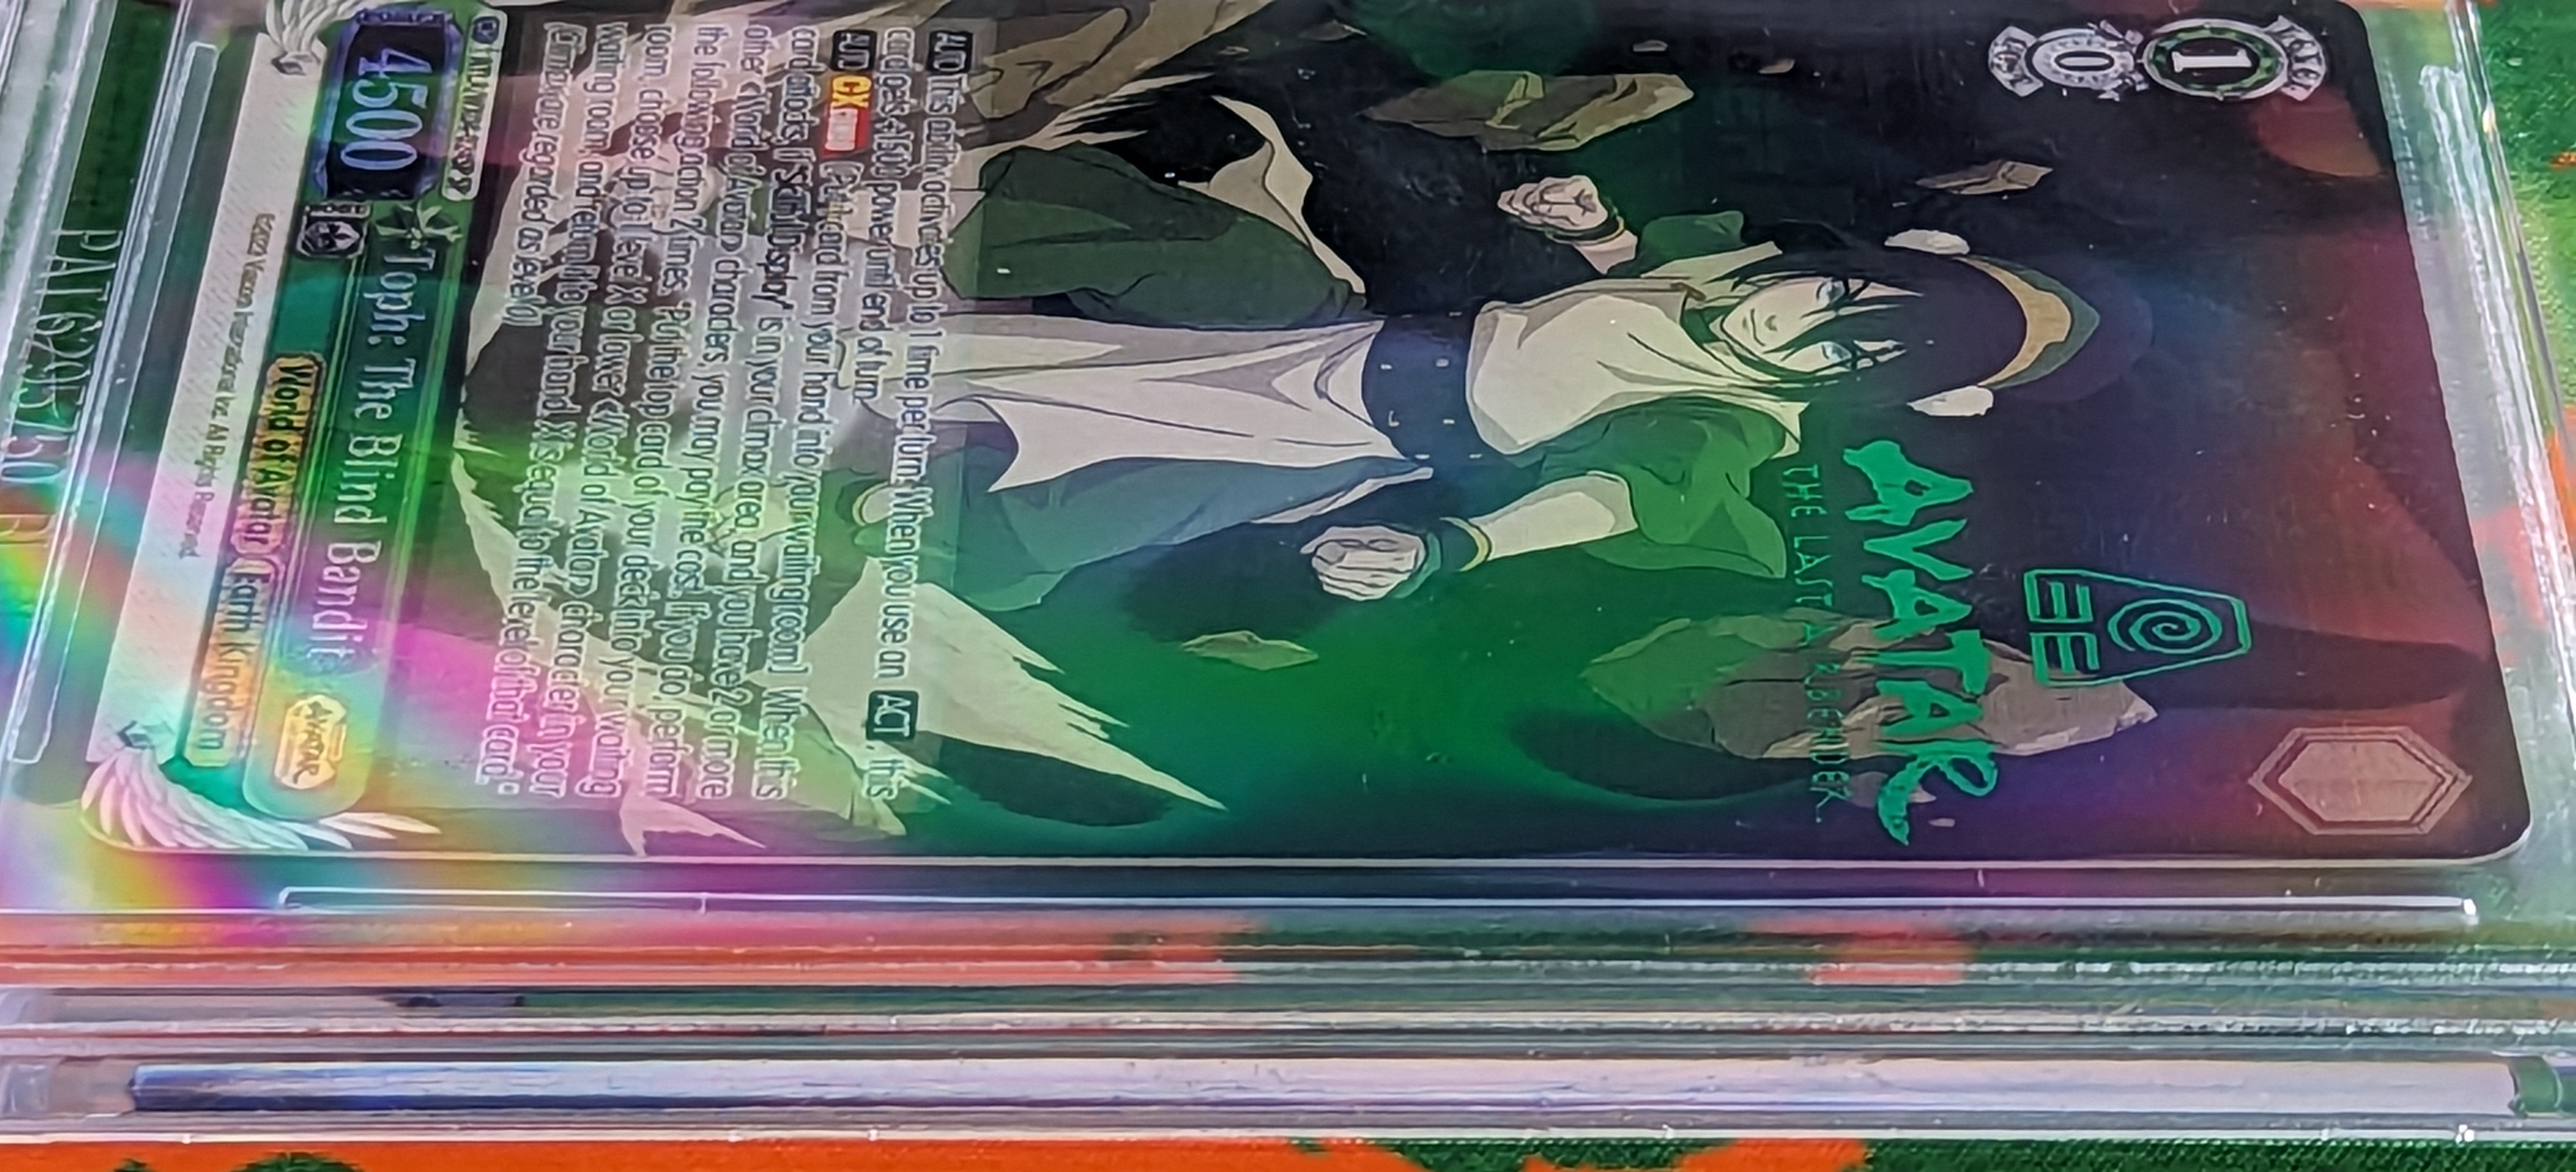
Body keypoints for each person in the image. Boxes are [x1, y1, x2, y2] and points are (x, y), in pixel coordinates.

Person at [867, 114, 2119, 612]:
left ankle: (889, 531)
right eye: (1841, 292)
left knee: (1113, 507)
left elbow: (1611, 499)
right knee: (1211, 254)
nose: (1795, 319)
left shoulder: (1737, 426)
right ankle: (917, 214)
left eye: (1847, 350)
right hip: (1340, 331)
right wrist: (1593, 229)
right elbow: (1634, 278)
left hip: (1348, 438)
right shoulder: (1726, 263)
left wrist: (1451, 549)